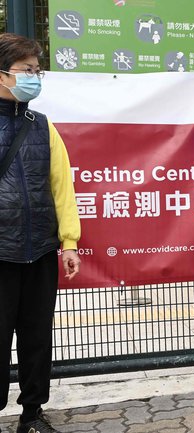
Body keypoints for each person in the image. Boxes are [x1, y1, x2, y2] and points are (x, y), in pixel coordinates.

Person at [0, 34, 81, 433]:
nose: (34, 77)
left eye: (37, 70)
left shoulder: (42, 126)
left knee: (36, 338)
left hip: (39, 251)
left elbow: (61, 186)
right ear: (2, 75)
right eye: (26, 70)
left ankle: (32, 414)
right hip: (0, 254)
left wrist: (69, 241)